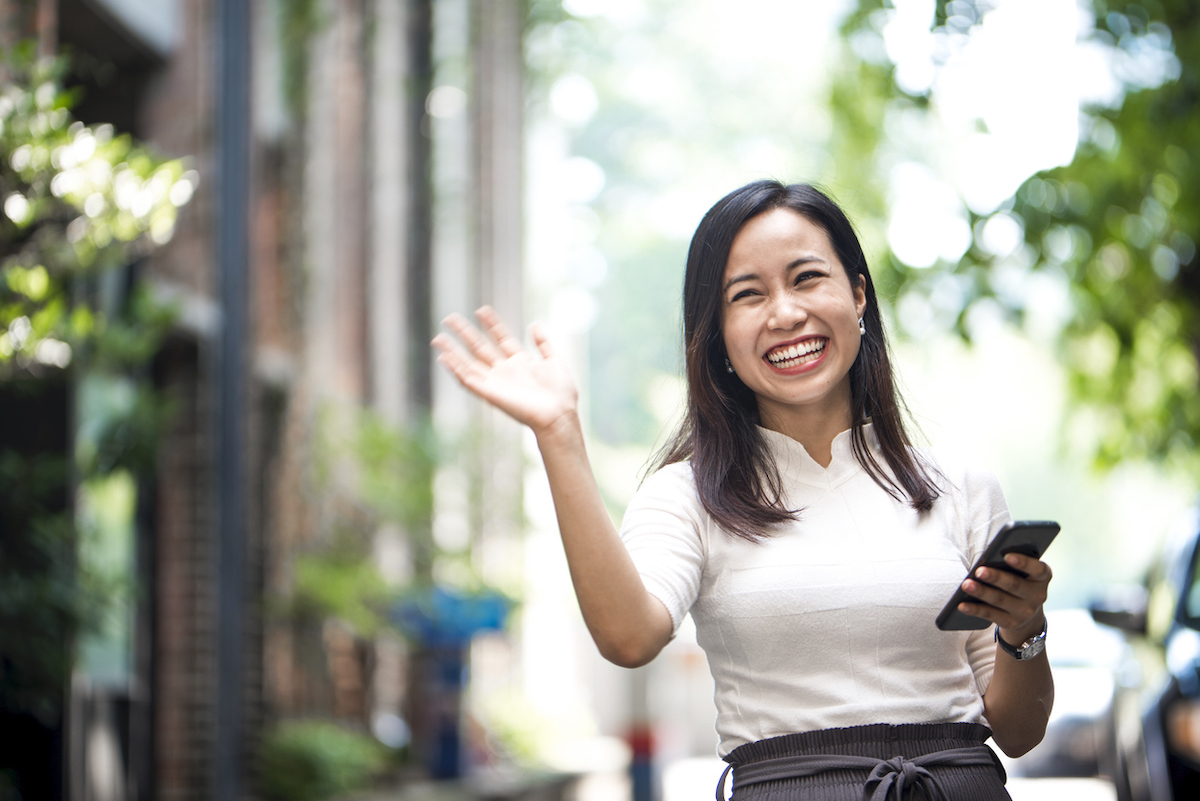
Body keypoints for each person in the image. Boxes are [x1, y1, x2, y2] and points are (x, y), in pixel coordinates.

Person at [432, 180, 1053, 800]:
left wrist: (1024, 627)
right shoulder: (689, 495)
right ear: (720, 334)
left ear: (858, 294)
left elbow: (1019, 732)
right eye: (748, 295)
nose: (784, 314)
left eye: (807, 278)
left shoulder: (961, 487)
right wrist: (559, 436)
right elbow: (628, 637)